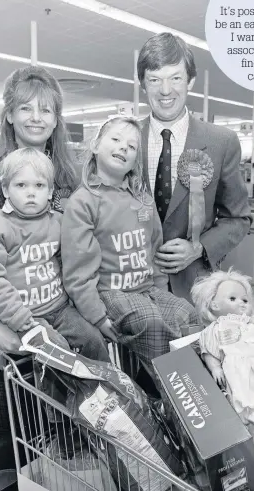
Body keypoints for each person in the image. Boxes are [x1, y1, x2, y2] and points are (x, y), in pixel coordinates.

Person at [0, 65, 106, 445]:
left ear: (57, 120)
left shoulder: (70, 180)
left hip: (63, 308)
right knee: (22, 438)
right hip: (10, 330)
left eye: (46, 110)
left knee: (72, 436)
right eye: (26, 108)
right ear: (8, 115)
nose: (36, 118)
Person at [61, 116, 199, 386]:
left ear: (136, 160)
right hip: (111, 293)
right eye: (115, 139)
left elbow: (154, 251)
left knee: (187, 313)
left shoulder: (142, 199)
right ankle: (174, 400)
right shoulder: (84, 201)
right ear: (96, 145)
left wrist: (161, 290)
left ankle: (193, 390)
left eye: (132, 146)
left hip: (147, 290)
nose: (123, 147)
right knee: (152, 322)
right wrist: (97, 317)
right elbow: (77, 272)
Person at [137, 32, 252, 301]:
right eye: (155, 80)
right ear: (142, 84)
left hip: (196, 287)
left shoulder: (221, 142)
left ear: (191, 80)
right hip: (135, 286)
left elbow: (238, 219)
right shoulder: (124, 141)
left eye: (175, 78)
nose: (165, 91)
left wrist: (198, 247)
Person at [0, 147, 110, 362]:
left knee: (92, 339)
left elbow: (73, 263)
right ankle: (68, 397)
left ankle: (104, 391)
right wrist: (16, 316)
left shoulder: (60, 222)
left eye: (39, 185)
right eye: (21, 185)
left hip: (61, 308)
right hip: (26, 316)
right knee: (56, 354)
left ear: (51, 191)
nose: (31, 192)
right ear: (6, 190)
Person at [191, 269, 254, 433]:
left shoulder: (250, 324)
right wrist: (215, 367)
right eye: (233, 298)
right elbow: (209, 351)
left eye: (245, 300)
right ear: (214, 304)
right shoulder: (216, 328)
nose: (242, 303)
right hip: (237, 368)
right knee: (241, 395)